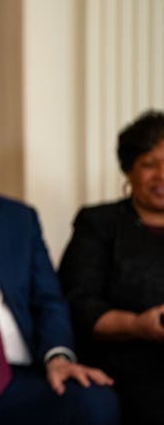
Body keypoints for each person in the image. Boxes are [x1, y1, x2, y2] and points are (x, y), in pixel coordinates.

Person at [0, 99, 120, 425]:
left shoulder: (18, 218)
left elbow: (49, 300)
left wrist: (58, 356)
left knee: (95, 402)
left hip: (22, 372)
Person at [59, 109, 164, 425]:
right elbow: (78, 302)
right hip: (126, 365)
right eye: (149, 164)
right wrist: (137, 325)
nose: (161, 175)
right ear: (129, 170)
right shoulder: (99, 223)